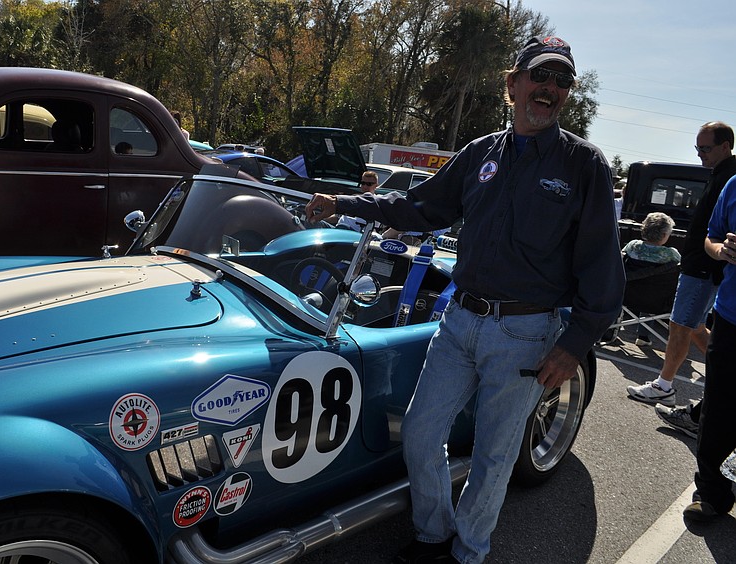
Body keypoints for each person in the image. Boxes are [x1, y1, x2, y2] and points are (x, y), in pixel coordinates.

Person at [305, 36, 624, 564]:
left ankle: (468, 553)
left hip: (526, 335)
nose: (550, 89)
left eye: (562, 81)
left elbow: (601, 266)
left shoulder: (583, 164)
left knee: (495, 456)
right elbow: (417, 206)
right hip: (458, 321)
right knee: (421, 434)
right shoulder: (479, 154)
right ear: (512, 83)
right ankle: (433, 535)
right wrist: (344, 202)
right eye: (540, 76)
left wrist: (576, 343)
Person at [627, 122, 736, 414]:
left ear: (725, 146)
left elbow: (717, 233)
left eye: (705, 148)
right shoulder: (721, 175)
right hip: (701, 266)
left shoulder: (730, 177)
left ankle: (664, 386)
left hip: (702, 268)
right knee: (696, 327)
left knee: (679, 325)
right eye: (697, 148)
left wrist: (710, 259)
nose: (700, 154)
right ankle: (726, 378)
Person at [682, 173, 736, 521]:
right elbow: (711, 238)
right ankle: (711, 492)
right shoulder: (733, 186)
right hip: (731, 317)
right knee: (718, 408)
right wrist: (722, 250)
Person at [621, 212, 681, 346]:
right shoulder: (671, 254)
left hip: (627, 296)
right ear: (665, 235)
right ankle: (643, 336)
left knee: (641, 288)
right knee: (653, 291)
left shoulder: (632, 246)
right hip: (658, 302)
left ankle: (609, 331)